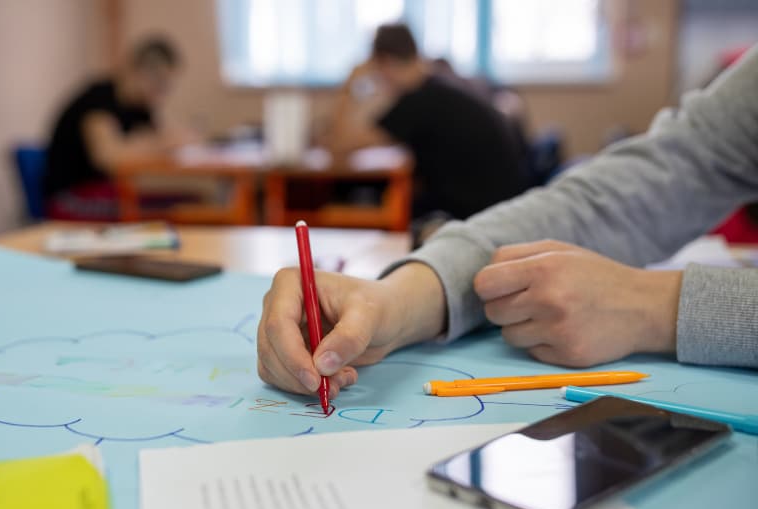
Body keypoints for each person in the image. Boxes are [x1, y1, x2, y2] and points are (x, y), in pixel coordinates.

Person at [257, 45, 758, 399]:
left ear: (382, 68)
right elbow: (647, 183)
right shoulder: (446, 88)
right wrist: (400, 299)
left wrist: (659, 306)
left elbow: (340, 144)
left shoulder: (416, 101)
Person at [323, 23, 530, 222]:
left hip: (477, 213)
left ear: (384, 63)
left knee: (379, 204)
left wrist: (351, 82)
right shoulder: (437, 85)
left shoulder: (416, 102)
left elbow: (338, 145)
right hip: (504, 203)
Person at [42, 36, 194, 220]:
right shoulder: (99, 99)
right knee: (181, 211)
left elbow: (158, 140)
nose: (163, 93)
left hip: (109, 191)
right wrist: (158, 143)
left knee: (191, 202)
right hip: (71, 198)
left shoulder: (141, 107)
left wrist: (157, 141)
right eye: (160, 83)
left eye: (168, 86)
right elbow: (109, 158)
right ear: (138, 72)